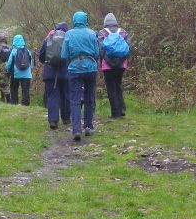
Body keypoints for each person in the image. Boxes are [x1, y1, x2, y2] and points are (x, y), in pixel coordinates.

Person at [61, 11, 100, 141]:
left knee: (75, 100)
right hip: (91, 68)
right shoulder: (92, 33)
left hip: (74, 69)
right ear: (85, 20)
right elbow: (96, 52)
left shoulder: (69, 34)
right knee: (89, 97)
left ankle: (76, 130)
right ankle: (88, 126)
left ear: (74, 20)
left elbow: (64, 55)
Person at [38, 22, 71, 129]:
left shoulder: (49, 37)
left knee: (52, 96)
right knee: (66, 95)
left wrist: (48, 63)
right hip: (66, 72)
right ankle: (66, 118)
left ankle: (53, 120)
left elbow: (41, 55)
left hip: (50, 72)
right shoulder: (69, 37)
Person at [97, 13, 130, 118]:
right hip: (121, 65)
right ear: (116, 22)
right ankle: (122, 109)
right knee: (118, 86)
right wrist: (120, 62)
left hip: (107, 66)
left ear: (105, 23)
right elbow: (128, 48)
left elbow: (101, 50)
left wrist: (108, 62)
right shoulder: (123, 32)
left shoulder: (102, 33)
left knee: (111, 88)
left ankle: (115, 112)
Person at [6, 34, 33, 105]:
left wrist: (8, 70)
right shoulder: (28, 51)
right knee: (25, 90)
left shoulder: (14, 51)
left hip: (16, 74)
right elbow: (31, 64)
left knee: (14, 88)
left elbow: (9, 64)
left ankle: (14, 103)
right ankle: (25, 104)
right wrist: (30, 71)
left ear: (14, 41)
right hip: (27, 74)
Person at [0, 36, 12, 102]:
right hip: (9, 67)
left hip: (1, 68)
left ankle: (7, 99)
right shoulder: (10, 47)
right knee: (7, 82)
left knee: (2, 83)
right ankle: (3, 97)